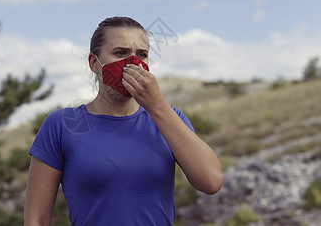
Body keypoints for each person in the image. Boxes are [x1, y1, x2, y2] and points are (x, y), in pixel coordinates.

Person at [24, 16, 223, 226]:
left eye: (142, 55)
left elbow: (211, 182)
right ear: (94, 63)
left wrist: (156, 106)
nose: (133, 62)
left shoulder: (170, 118)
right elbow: (36, 219)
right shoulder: (62, 125)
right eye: (121, 53)